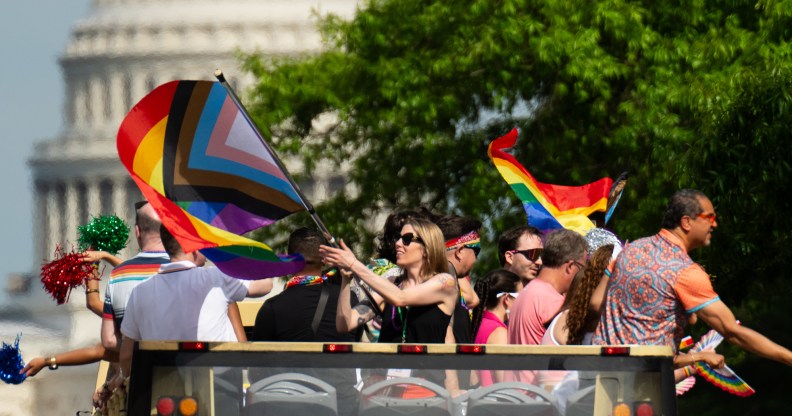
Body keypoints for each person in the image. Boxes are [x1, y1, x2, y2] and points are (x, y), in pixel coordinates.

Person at [593, 189, 792, 370]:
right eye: (709, 217)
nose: (715, 224)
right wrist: (787, 357)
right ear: (686, 222)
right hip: (644, 382)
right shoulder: (686, 272)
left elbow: (595, 303)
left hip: (600, 370)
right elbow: (732, 331)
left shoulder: (630, 249)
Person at [321, 217, 461, 393]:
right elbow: (345, 324)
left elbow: (401, 298)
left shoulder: (444, 282)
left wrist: (354, 264)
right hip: (383, 387)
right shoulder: (392, 283)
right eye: (398, 237)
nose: (398, 244)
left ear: (427, 248)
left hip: (423, 388)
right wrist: (345, 281)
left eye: (407, 239)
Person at [251, 227, 359, 416]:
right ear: (326, 259)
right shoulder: (347, 299)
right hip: (341, 404)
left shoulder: (272, 307)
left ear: (290, 260)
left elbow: (258, 369)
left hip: (289, 405)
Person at [99, 200, 170, 350]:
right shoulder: (183, 270)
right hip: (180, 366)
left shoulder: (117, 275)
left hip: (137, 368)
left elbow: (109, 340)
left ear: (137, 232)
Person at [509, 229, 587, 347]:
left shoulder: (526, 291)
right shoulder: (553, 302)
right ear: (570, 266)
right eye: (581, 268)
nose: (583, 274)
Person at [435, 214, 483, 346]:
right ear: (460, 251)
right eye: (476, 252)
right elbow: (448, 339)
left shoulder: (449, 279)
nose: (476, 259)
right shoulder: (446, 280)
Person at [470, 269, 522, 386]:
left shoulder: (479, 323)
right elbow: (505, 382)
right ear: (507, 299)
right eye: (521, 296)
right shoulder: (499, 332)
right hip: (495, 400)